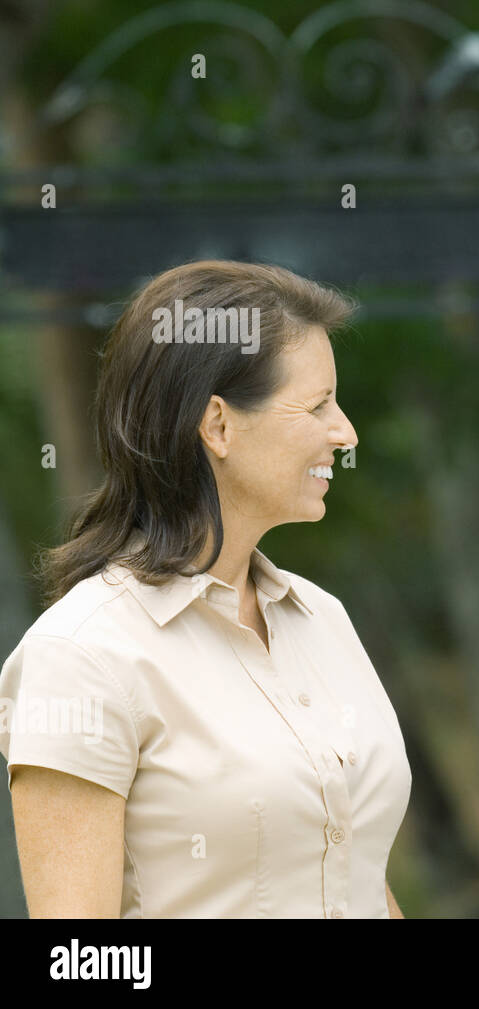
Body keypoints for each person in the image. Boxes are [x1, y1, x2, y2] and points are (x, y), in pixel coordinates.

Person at [0, 261, 411, 918]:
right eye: (318, 405)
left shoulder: (324, 620)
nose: (345, 432)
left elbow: (359, 876)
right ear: (218, 425)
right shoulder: (79, 658)